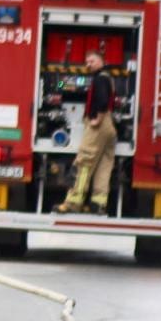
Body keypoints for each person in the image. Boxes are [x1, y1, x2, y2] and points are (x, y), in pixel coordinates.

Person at [56, 50, 115, 214]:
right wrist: (60, 84)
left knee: (84, 162)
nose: (89, 64)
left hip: (99, 124)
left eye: (92, 61)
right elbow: (73, 86)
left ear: (101, 61)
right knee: (104, 164)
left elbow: (102, 100)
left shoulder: (100, 79)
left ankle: (73, 202)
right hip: (109, 127)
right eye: (87, 62)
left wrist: (98, 119)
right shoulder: (105, 78)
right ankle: (98, 204)